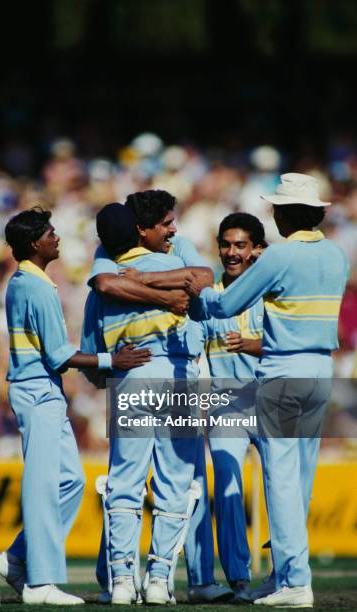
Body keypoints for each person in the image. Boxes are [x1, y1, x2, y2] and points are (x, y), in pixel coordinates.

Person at [190, 173, 349, 608]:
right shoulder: (337, 255)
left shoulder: (278, 257)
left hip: (282, 371)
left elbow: (224, 304)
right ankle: (283, 576)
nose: (273, 214)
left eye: (276, 208)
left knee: (279, 481)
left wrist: (197, 291)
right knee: (299, 481)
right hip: (320, 370)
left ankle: (294, 581)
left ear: (286, 213)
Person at [0, 207, 150, 606]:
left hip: (43, 390)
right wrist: (115, 361)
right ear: (34, 244)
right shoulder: (34, 286)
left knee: (70, 481)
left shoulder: (31, 281)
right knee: (44, 486)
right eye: (50, 233)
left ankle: (17, 557)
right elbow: (60, 355)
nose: (57, 237)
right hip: (36, 390)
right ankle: (40, 582)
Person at [87, 191, 232, 604]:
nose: (173, 231)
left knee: (125, 482)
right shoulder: (180, 267)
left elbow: (93, 329)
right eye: (167, 223)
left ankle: (120, 582)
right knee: (175, 484)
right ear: (142, 229)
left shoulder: (109, 273)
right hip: (179, 378)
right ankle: (158, 582)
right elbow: (205, 288)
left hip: (132, 378)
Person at [197, 212, 266, 603]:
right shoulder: (210, 298)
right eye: (226, 244)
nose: (231, 252)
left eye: (240, 245)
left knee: (283, 491)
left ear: (257, 249)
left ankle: (285, 576)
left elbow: (290, 344)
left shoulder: (271, 291)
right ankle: (239, 579)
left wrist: (252, 344)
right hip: (225, 404)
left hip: (271, 400)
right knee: (226, 486)